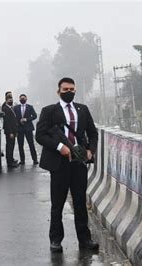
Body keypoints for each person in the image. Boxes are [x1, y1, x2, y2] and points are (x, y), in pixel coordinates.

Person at [35, 77, 99, 253]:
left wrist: (90, 151)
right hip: (59, 164)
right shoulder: (49, 111)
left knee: (80, 202)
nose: (69, 92)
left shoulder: (83, 110)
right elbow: (39, 135)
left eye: (72, 89)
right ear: (58, 91)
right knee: (58, 204)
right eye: (65, 89)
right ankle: (55, 240)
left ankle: (85, 239)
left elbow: (93, 133)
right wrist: (59, 147)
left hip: (78, 163)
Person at [14, 94, 38, 165]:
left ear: (26, 99)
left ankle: (35, 159)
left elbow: (35, 116)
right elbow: (14, 118)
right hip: (20, 129)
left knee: (31, 144)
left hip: (28, 128)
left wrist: (27, 119)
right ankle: (22, 160)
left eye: (23, 98)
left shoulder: (30, 107)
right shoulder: (16, 107)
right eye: (21, 98)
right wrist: (19, 121)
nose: (22, 99)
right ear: (19, 99)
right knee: (20, 145)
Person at [2, 94, 19, 168]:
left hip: (14, 130)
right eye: (9, 100)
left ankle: (11, 159)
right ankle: (9, 162)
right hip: (10, 131)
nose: (11, 101)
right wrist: (11, 132)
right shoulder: (6, 109)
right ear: (6, 100)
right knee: (9, 147)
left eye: (11, 99)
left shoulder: (11, 108)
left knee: (12, 146)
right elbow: (7, 122)